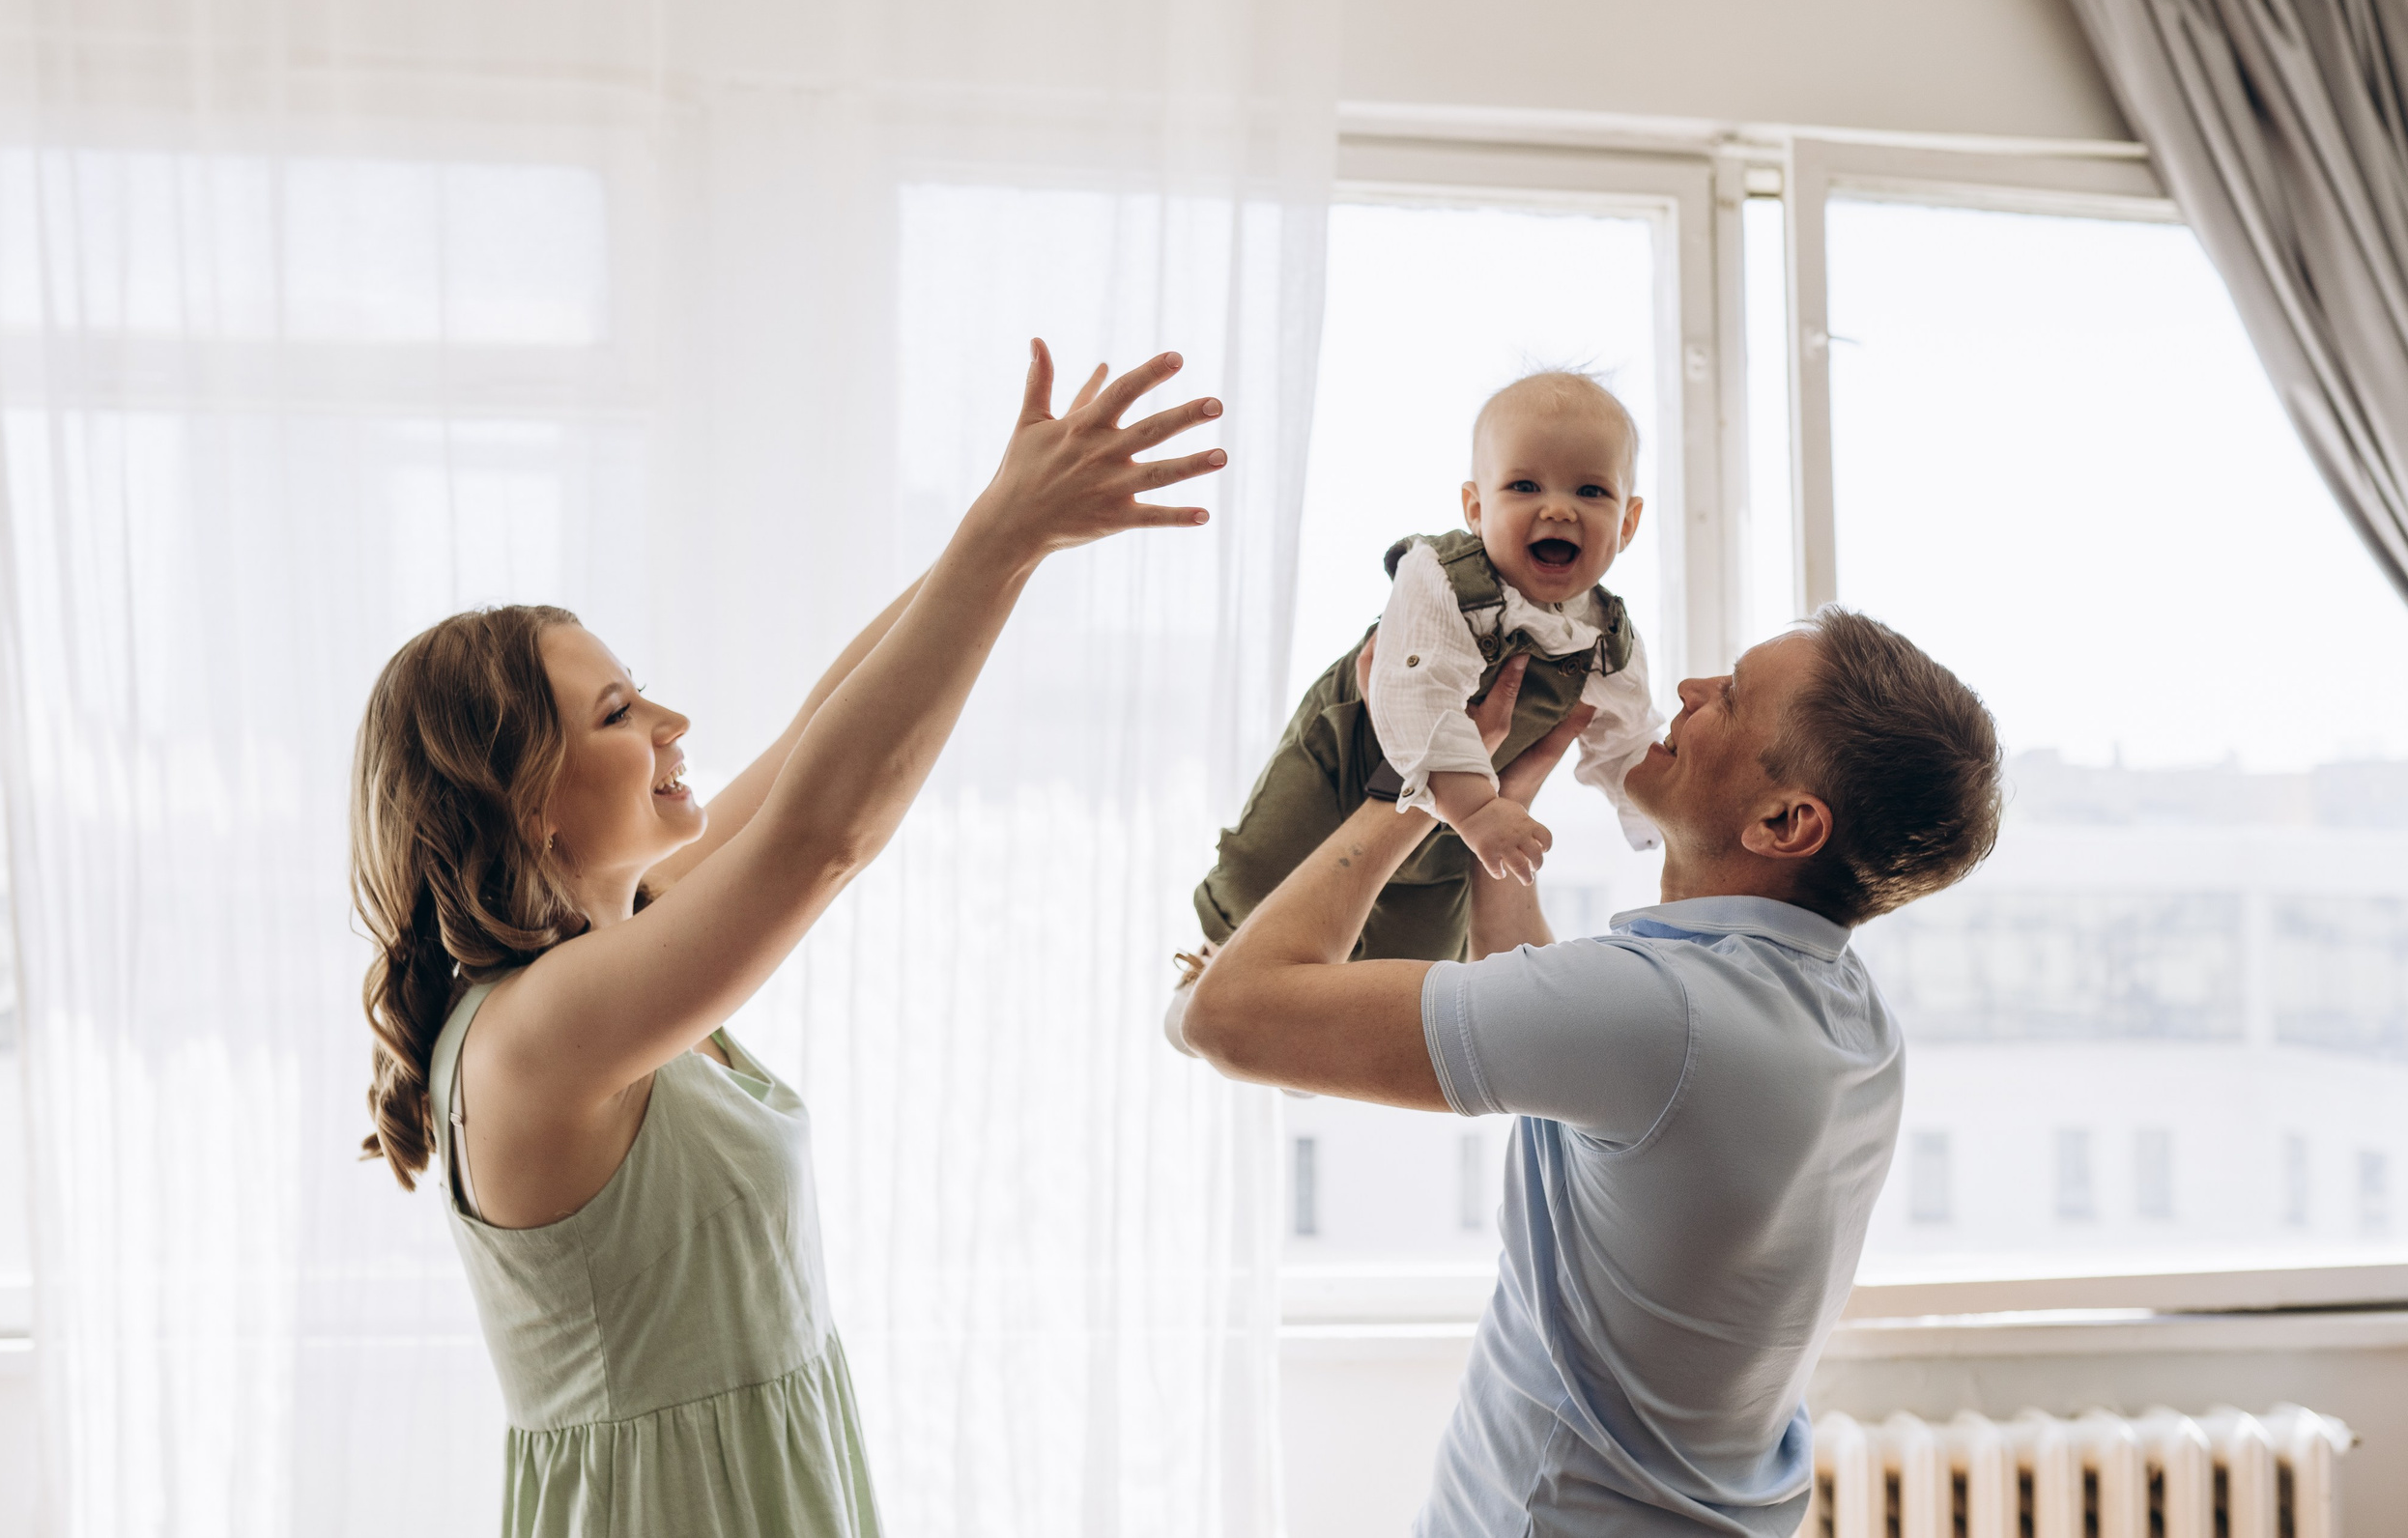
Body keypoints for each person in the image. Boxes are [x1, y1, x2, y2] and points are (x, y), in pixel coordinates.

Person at [351, 342, 1224, 1538]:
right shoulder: (541, 1032)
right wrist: (1000, 543)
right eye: (618, 714)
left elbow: (820, 737)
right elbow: (824, 832)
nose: (673, 722)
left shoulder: (620, 949)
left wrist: (1005, 532)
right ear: (527, 801)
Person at [1182, 608, 2002, 1535]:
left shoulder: (1667, 1014)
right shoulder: (1849, 1019)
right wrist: (1496, 815)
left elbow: (1227, 1016)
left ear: (1784, 821)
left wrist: (1412, 774)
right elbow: (1582, 1056)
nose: (1689, 691)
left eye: (1728, 697)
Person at [1182, 372, 1665, 996]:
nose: (1557, 507)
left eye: (1591, 490)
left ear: (1627, 522)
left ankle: (1316, 1028)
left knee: (1421, 963)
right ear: (1475, 507)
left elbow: (1627, 737)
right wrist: (1481, 810)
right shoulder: (1441, 579)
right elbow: (1423, 695)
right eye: (1524, 485)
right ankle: (1210, 966)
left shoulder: (1608, 640)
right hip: (1352, 766)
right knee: (1261, 887)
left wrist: (1652, 821)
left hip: (1460, 819)